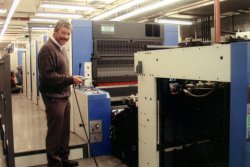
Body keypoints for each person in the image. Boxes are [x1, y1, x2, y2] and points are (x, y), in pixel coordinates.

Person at [38, 20, 83, 167]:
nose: (66, 37)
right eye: (63, 33)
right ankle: (54, 163)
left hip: (63, 96)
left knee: (64, 131)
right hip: (53, 97)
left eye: (68, 34)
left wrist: (70, 79)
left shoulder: (61, 48)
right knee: (55, 133)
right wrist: (70, 79)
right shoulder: (47, 49)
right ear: (55, 31)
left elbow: (59, 73)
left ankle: (64, 158)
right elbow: (47, 76)